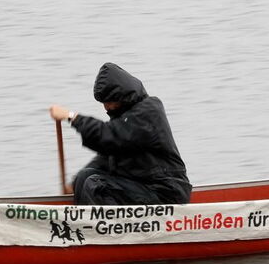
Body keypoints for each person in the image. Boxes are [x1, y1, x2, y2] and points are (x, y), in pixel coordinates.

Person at [49, 62, 191, 205]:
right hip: (142, 187)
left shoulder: (149, 112)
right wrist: (73, 186)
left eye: (108, 101)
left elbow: (108, 136)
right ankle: (80, 223)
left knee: (95, 186)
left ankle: (98, 226)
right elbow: (107, 158)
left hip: (166, 193)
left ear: (121, 96)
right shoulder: (124, 119)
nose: (106, 107)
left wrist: (72, 116)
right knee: (85, 177)